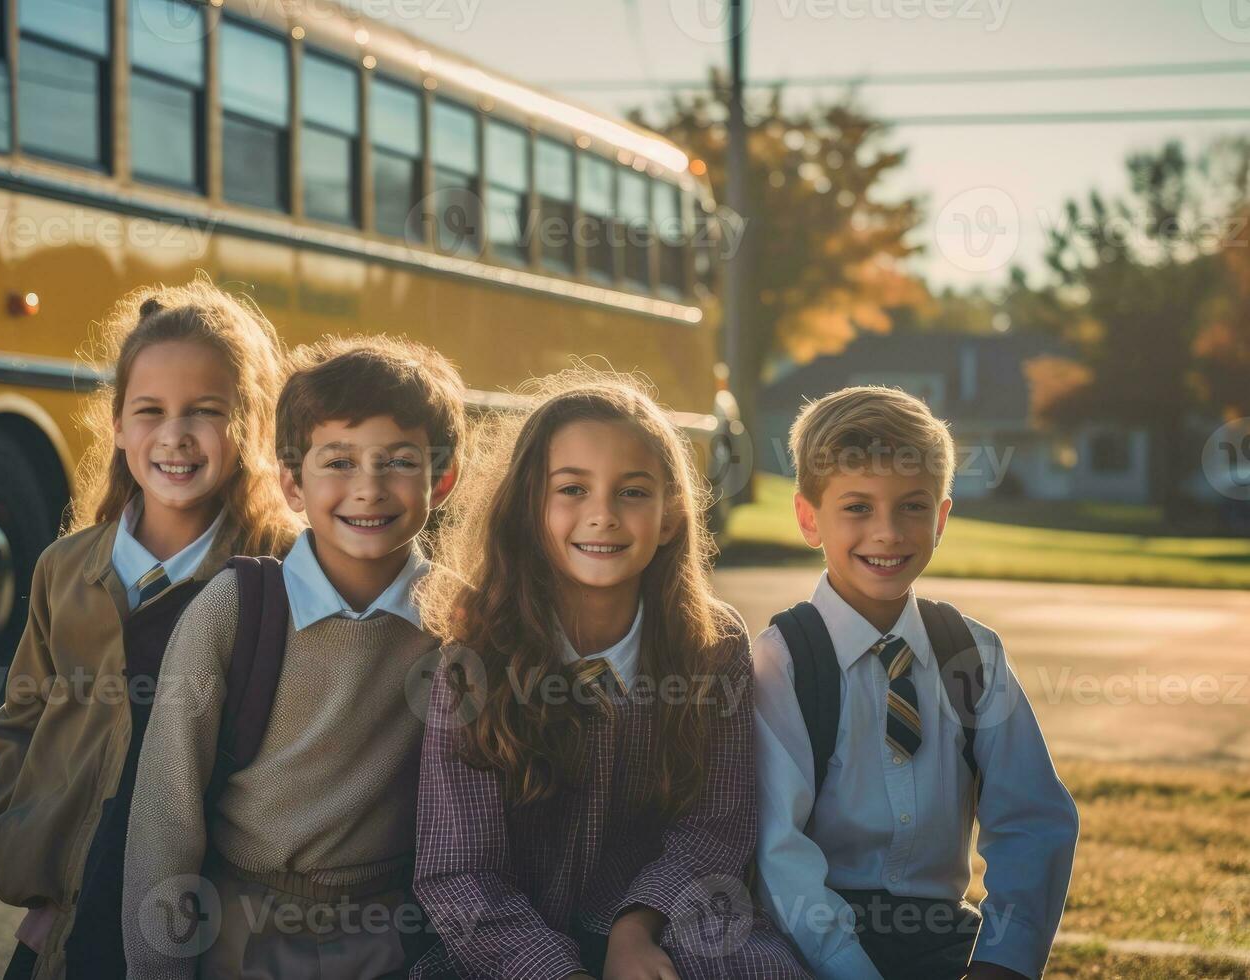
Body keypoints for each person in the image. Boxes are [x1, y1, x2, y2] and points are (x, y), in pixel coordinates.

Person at [412, 370, 810, 980]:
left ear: (671, 517)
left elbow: (716, 824)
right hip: (507, 945)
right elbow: (459, 872)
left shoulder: (712, 644)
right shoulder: (475, 656)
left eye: (632, 492)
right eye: (572, 489)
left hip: (665, 922)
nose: (603, 516)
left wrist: (636, 927)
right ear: (529, 509)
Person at [0, 277, 300, 980]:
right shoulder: (64, 568)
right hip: (63, 923)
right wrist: (38, 870)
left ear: (248, 425)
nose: (174, 436)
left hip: (206, 929)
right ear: (118, 425)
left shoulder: (280, 574)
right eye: (148, 410)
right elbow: (21, 722)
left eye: (205, 412)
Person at [121, 335, 466, 980]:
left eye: (397, 461)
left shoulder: (460, 624)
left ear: (440, 480)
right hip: (241, 931)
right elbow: (164, 824)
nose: (368, 489)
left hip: (395, 938)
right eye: (337, 461)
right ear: (291, 483)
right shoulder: (235, 609)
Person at [752, 385, 1079, 980]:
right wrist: (847, 966)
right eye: (857, 507)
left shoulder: (971, 655)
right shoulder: (784, 661)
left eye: (912, 506)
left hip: (942, 939)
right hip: (811, 943)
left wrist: (1003, 962)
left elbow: (1032, 819)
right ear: (809, 518)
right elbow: (778, 850)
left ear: (942, 517)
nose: (888, 532)